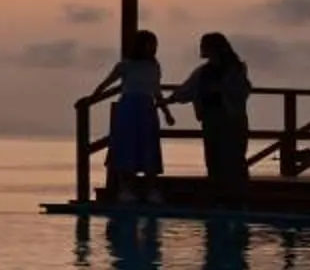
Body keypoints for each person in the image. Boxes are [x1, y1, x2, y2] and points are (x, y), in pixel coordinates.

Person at [174, 32, 253, 201]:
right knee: (214, 158)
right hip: (211, 117)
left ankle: (239, 197)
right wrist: (169, 100)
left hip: (231, 118)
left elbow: (242, 91)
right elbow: (186, 90)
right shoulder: (203, 72)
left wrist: (220, 90)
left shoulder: (236, 68)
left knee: (234, 158)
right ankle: (219, 197)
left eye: (204, 45)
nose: (201, 49)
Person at [106, 29, 172, 202]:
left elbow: (157, 91)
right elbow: (108, 82)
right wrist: (92, 97)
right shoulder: (126, 65)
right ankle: (125, 189)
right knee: (125, 147)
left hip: (147, 107)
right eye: (150, 44)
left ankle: (151, 190)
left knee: (149, 147)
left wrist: (166, 112)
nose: (153, 48)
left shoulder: (154, 66)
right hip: (128, 108)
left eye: (154, 45)